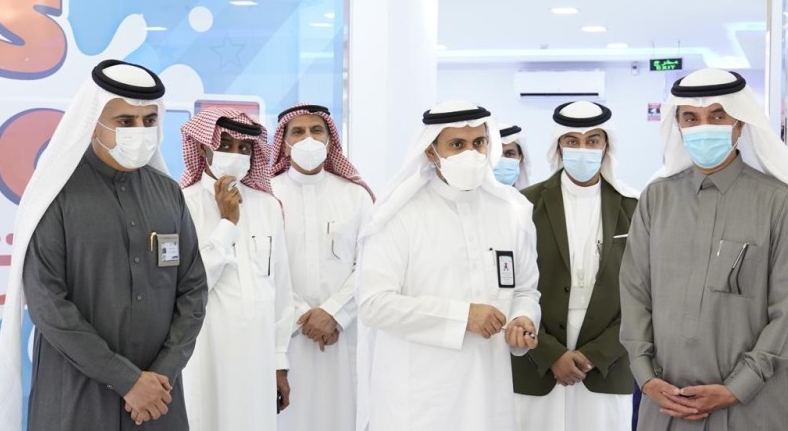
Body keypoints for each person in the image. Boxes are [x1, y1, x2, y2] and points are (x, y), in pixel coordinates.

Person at [0, 60, 208, 431]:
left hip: (159, 398)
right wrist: (127, 380)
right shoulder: (57, 195)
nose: (139, 131)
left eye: (148, 120)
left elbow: (193, 290)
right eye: (125, 121)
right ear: (94, 121)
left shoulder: (168, 194)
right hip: (77, 395)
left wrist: (161, 374)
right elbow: (48, 303)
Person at [620, 68, 788, 430]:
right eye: (691, 118)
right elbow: (635, 292)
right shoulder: (657, 198)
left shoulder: (779, 202)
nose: (703, 127)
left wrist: (738, 387)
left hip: (754, 407)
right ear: (678, 125)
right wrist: (646, 378)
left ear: (739, 123)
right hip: (666, 404)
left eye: (717, 116)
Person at [355, 100, 541, 431]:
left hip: (488, 396)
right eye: (457, 144)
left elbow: (526, 289)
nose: (471, 153)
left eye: (478, 143)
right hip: (418, 400)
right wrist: (463, 316)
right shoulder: (400, 214)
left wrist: (522, 319)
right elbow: (373, 304)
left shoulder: (512, 212)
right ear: (431, 151)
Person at [511, 101, 637, 431]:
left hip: (607, 365)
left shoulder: (633, 207)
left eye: (592, 141)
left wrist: (597, 353)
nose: (583, 149)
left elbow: (644, 297)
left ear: (606, 146)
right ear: (559, 146)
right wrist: (550, 354)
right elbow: (509, 287)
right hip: (537, 364)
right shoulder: (524, 205)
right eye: (572, 141)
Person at [178, 107, 294, 430]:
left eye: (244, 148)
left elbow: (280, 288)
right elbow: (189, 286)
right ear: (204, 146)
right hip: (207, 353)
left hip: (258, 355)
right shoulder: (182, 203)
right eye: (226, 144)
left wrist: (279, 361)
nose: (235, 154)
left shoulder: (268, 206)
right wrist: (227, 224)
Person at [270, 104, 375, 431]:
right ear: (283, 142)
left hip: (342, 334)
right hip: (283, 337)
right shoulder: (266, 195)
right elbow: (264, 267)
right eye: (298, 132)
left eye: (317, 130)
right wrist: (303, 314)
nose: (308, 138)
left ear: (331, 139)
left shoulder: (356, 196)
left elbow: (370, 265)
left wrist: (333, 313)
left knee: (341, 416)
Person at [493, 124, 531, 189]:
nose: (502, 159)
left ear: (520, 158)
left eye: (510, 154)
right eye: (495, 155)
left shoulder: (532, 195)